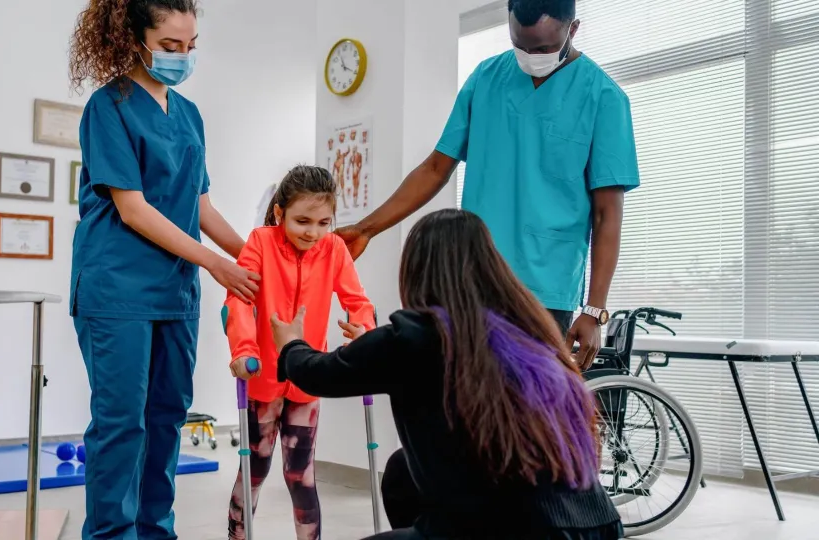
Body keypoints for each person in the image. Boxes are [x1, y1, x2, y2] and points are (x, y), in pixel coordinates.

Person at [271, 209, 622, 540]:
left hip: (522, 530)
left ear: (417, 269)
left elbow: (317, 374)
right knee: (402, 471)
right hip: (596, 525)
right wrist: (373, 346)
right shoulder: (523, 331)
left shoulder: (416, 334)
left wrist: (291, 344)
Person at [335, 0, 640, 370]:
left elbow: (608, 214)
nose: (530, 56)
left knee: (529, 415)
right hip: (471, 279)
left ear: (572, 30)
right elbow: (435, 168)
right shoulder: (486, 79)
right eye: (520, 45)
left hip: (544, 291)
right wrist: (367, 228)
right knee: (464, 405)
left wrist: (594, 310)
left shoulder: (604, 98)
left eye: (543, 48)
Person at [68, 1, 260, 538]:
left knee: (167, 419)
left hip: (174, 292)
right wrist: (216, 264)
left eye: (190, 46)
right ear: (134, 39)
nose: (182, 56)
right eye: (170, 47)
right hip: (117, 287)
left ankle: (157, 531)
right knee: (120, 425)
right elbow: (133, 208)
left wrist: (256, 257)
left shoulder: (190, 114)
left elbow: (198, 205)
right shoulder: (109, 107)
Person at [223, 165, 377, 540]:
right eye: (302, 221)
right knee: (254, 471)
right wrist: (243, 350)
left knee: (301, 475)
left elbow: (358, 301)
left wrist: (364, 333)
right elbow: (238, 301)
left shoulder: (334, 248)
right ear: (280, 213)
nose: (313, 232)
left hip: (307, 376)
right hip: (262, 376)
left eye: (324, 222)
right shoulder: (259, 242)